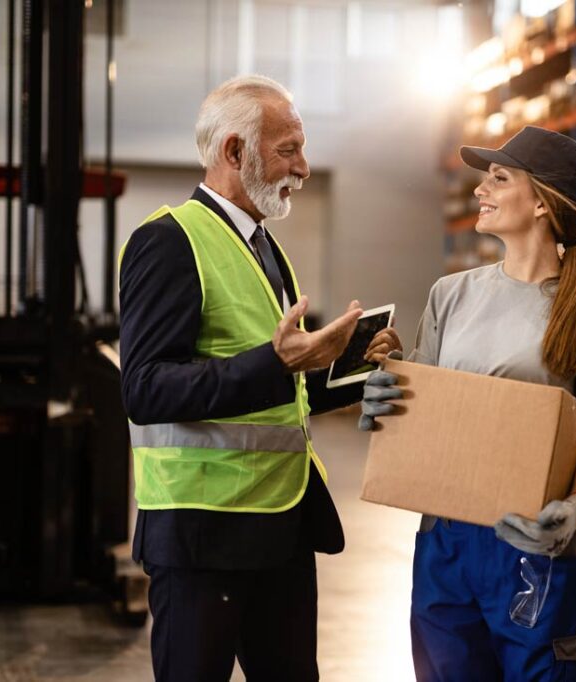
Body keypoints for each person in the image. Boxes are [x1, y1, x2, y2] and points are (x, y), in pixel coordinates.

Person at [118, 75, 402, 681]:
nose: (303, 166)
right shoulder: (168, 242)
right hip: (203, 537)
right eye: (288, 149)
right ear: (233, 151)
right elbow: (144, 389)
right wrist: (276, 364)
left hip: (280, 528)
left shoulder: (265, 247)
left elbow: (283, 388)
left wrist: (353, 372)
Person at [360, 126, 576, 681]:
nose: (479, 190)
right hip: (445, 542)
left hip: (536, 540)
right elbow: (427, 416)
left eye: (498, 177)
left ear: (540, 202)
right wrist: (383, 398)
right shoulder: (452, 294)